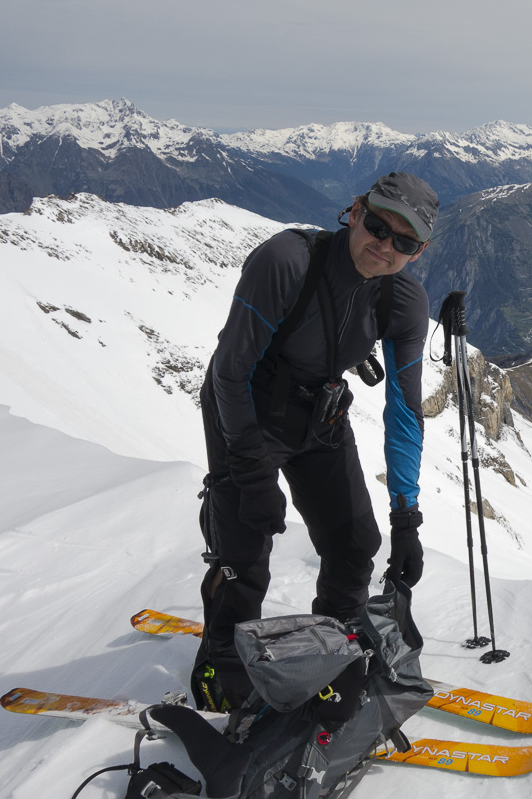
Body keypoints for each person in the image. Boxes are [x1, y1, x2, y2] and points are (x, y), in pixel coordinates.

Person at [191, 172, 438, 711]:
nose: (385, 245)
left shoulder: (403, 303)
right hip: (245, 405)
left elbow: (404, 413)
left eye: (404, 241)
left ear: (418, 252)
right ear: (354, 212)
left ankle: (335, 647)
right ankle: (222, 663)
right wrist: (252, 473)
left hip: (319, 410)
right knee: (245, 545)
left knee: (355, 543)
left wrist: (406, 519)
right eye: (378, 225)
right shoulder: (287, 261)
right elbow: (230, 372)